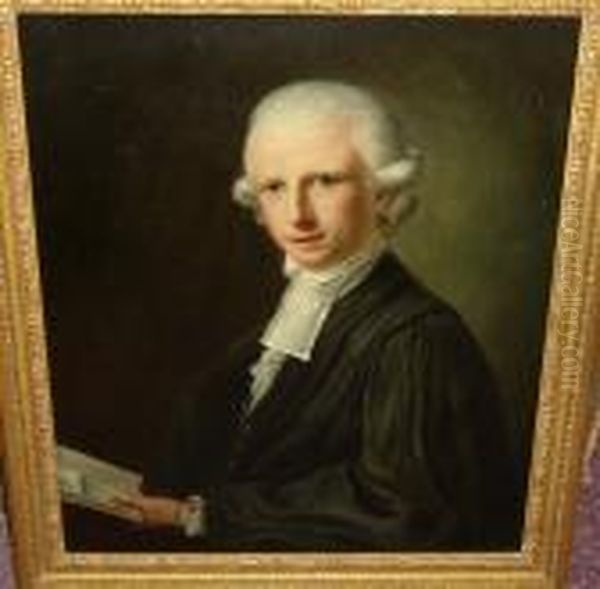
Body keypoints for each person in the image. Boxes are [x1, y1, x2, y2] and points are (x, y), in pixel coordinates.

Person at [121, 80, 523, 551]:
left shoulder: (418, 339)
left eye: (326, 181)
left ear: (383, 191)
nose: (297, 214)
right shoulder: (269, 334)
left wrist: (201, 515)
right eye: (274, 187)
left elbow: (407, 512)